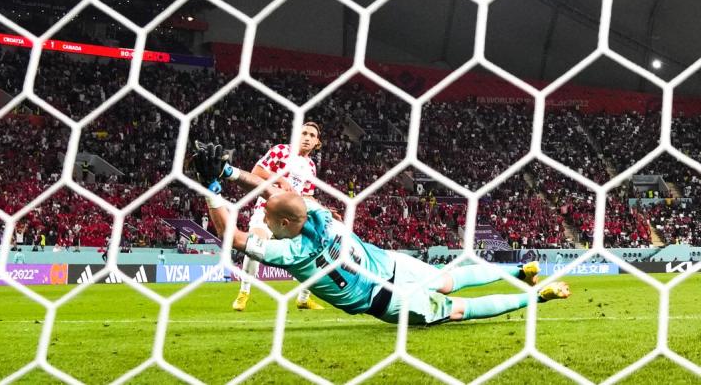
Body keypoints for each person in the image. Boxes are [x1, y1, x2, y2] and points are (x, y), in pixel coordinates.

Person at [193, 144, 571, 325]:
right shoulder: (322, 214)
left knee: (460, 310)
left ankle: (537, 296)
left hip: (386, 300)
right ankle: (521, 271)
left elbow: (233, 236)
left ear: (287, 226)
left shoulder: (290, 252)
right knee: (452, 278)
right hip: (393, 264)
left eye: (271, 222)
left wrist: (211, 185)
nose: (267, 223)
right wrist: (230, 175)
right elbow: (278, 195)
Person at [232, 122, 326, 312]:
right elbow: (256, 172)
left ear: (317, 142)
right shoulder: (282, 151)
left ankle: (304, 298)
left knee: (317, 250)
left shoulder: (311, 166)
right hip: (268, 210)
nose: (307, 138)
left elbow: (307, 195)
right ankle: (244, 292)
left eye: (311, 135)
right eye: (304, 133)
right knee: (255, 245)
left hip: (293, 219)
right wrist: (281, 179)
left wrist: (323, 209)